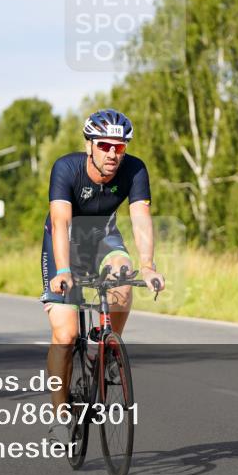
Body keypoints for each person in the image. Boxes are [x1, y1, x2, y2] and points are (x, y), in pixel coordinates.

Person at [41, 109, 165, 447]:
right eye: (105, 145)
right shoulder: (66, 168)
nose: (113, 153)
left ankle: (107, 350)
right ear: (90, 145)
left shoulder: (135, 169)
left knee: (124, 276)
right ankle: (60, 417)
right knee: (65, 335)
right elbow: (61, 221)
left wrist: (149, 265)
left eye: (120, 147)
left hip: (104, 237)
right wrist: (64, 272)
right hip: (64, 243)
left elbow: (140, 218)